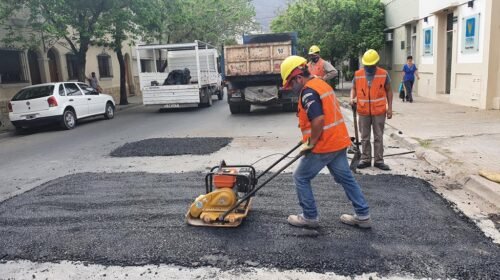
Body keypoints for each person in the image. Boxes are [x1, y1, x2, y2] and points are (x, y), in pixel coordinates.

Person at [280, 55, 371, 229]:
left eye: (291, 83)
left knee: (300, 176)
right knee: (346, 178)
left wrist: (311, 143)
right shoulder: (320, 83)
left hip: (324, 145)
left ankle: (309, 216)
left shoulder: (308, 92)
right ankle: (363, 215)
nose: (291, 88)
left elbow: (319, 120)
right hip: (337, 141)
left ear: (299, 77)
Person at [350, 49, 393, 171]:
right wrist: (351, 98)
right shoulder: (358, 74)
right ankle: (366, 159)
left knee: (378, 136)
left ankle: (379, 160)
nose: (368, 67)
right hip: (363, 110)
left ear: (375, 63)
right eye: (366, 65)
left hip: (379, 111)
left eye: (370, 65)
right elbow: (353, 88)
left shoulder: (383, 74)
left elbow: (389, 91)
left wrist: (389, 108)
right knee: (365, 136)